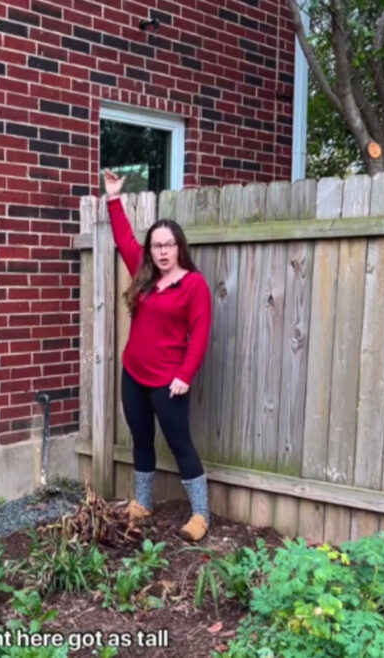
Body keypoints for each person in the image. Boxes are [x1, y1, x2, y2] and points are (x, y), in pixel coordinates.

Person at [102, 169, 213, 541]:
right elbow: (123, 237)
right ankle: (143, 503)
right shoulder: (144, 274)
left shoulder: (193, 285)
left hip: (169, 381)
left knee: (180, 443)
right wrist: (114, 197)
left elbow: (199, 334)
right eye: (156, 246)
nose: (162, 251)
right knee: (140, 438)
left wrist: (185, 374)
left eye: (168, 245)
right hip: (133, 373)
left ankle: (200, 515)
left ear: (179, 246)